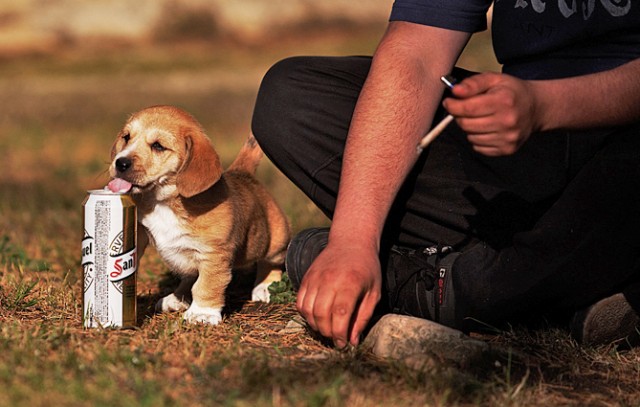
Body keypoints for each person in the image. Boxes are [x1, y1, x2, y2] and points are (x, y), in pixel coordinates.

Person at [251, 1, 640, 350]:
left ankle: (456, 287)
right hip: (528, 150)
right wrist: (352, 239)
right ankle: (584, 275)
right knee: (291, 100)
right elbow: (417, 50)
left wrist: (548, 106)